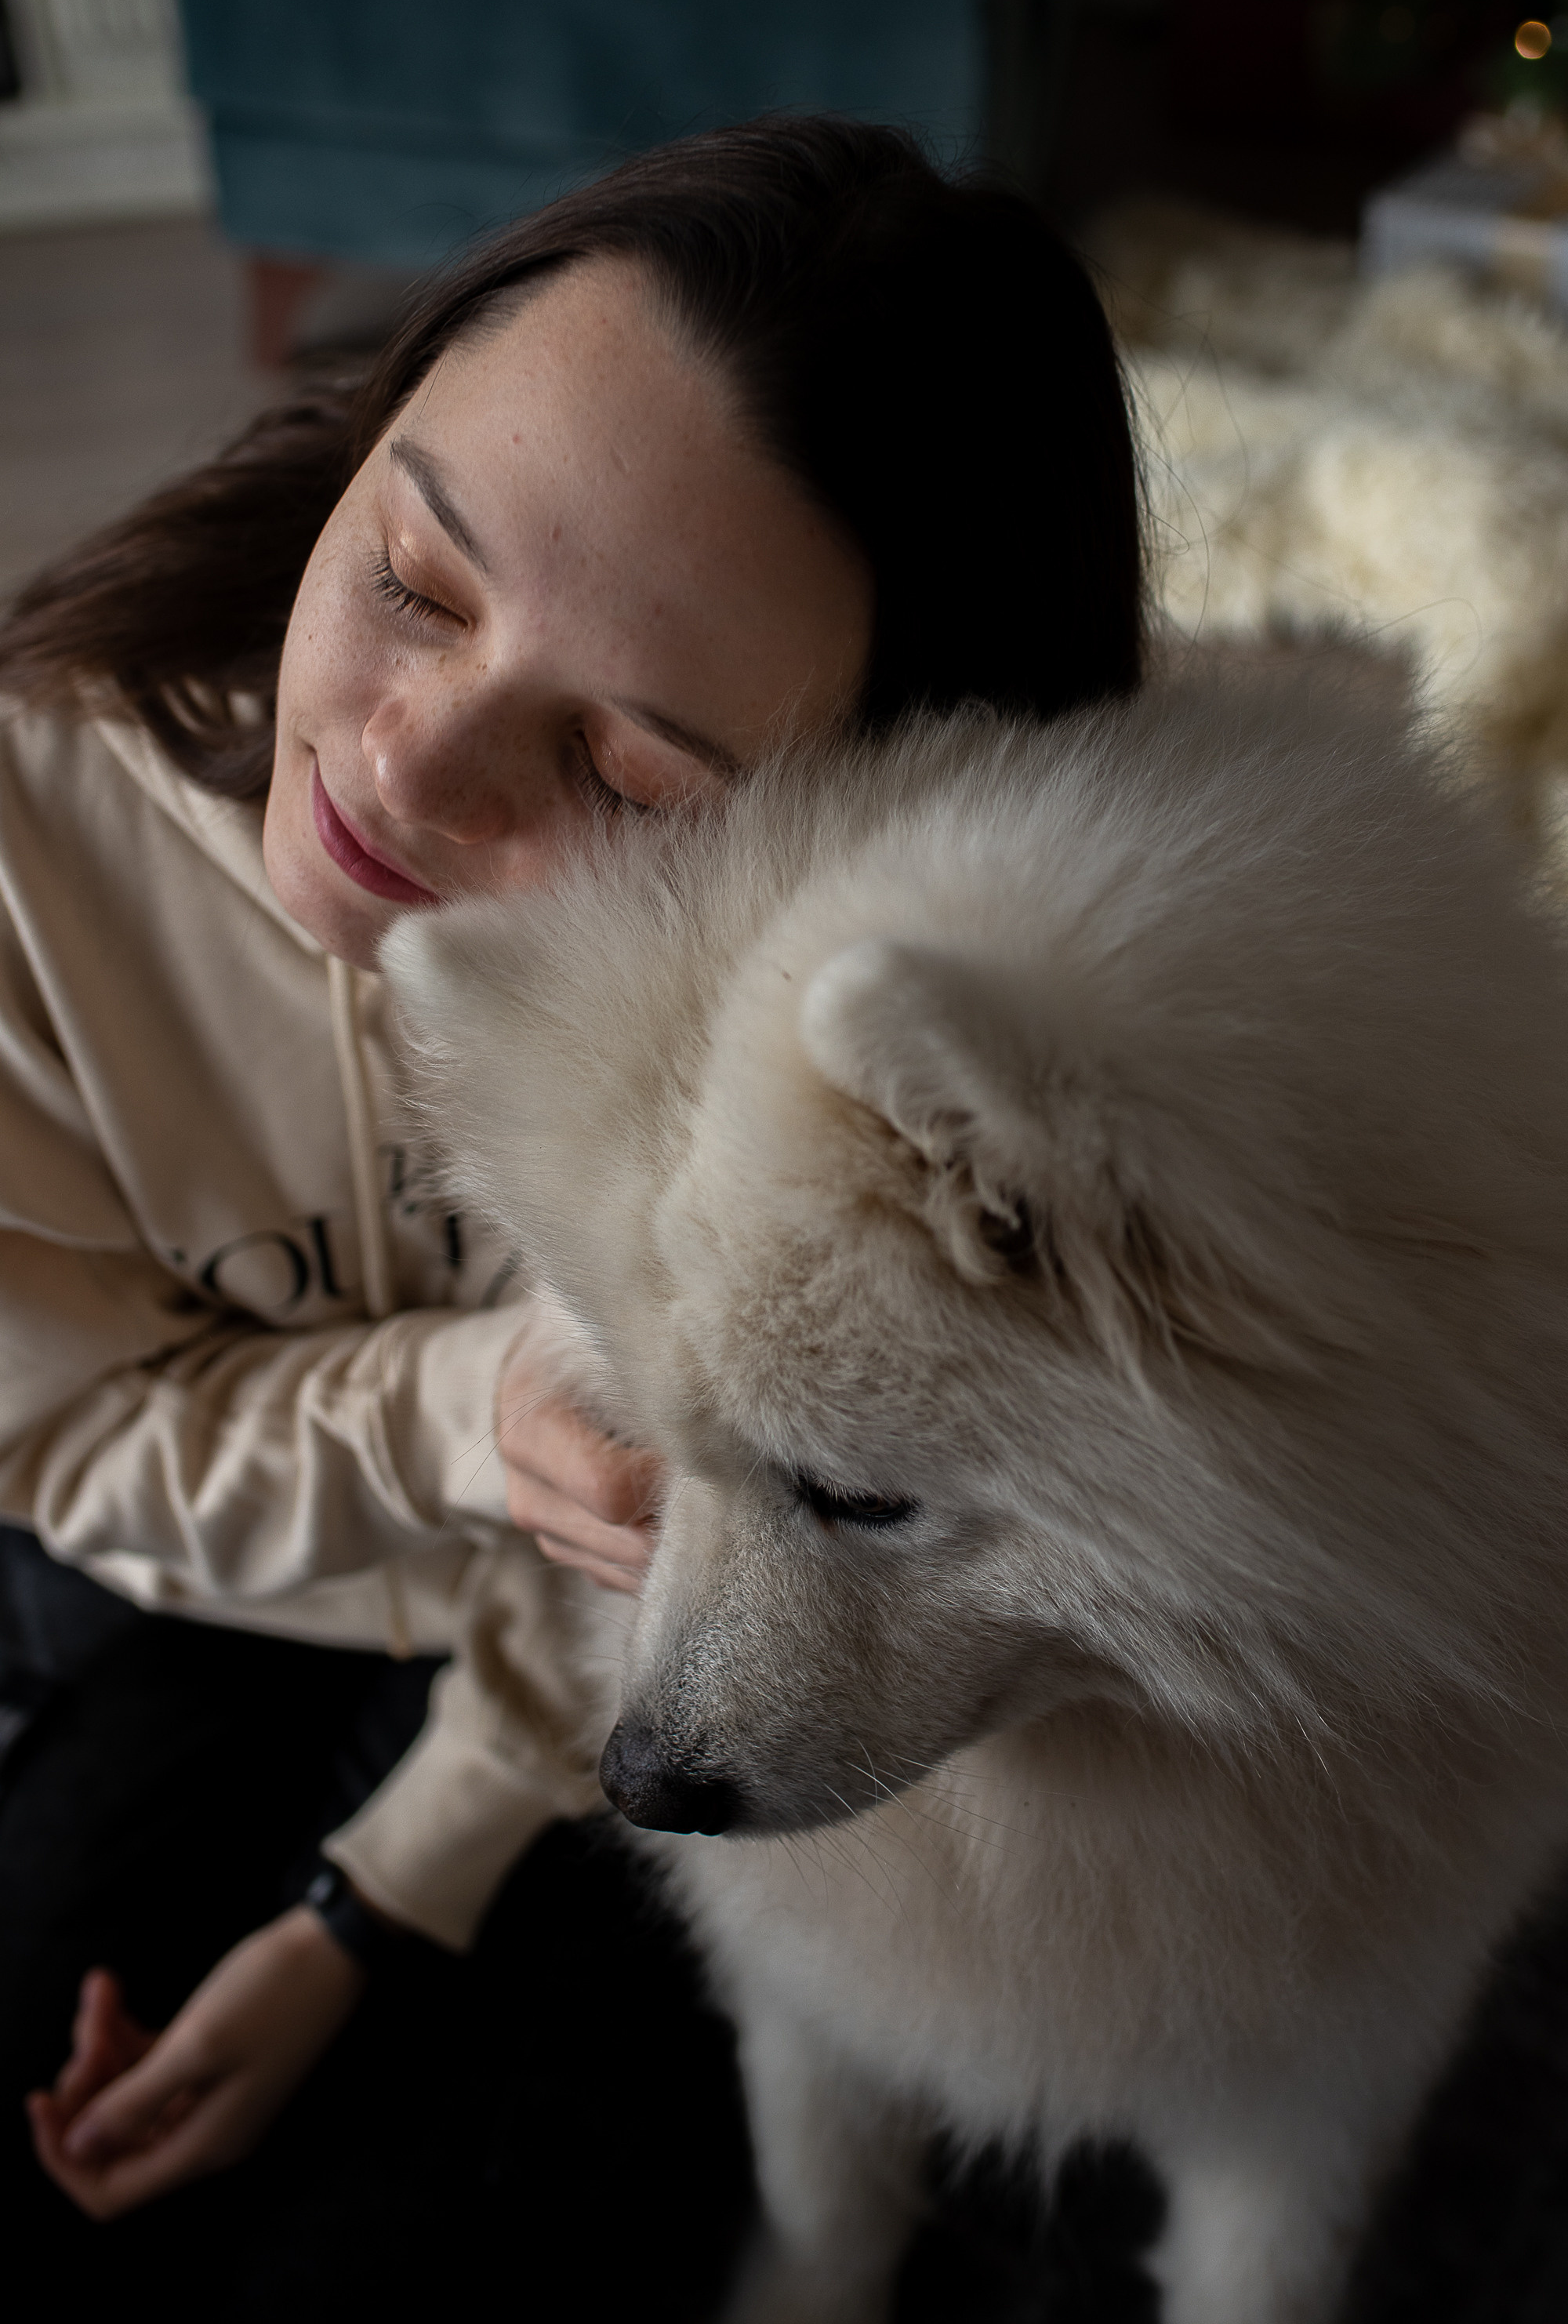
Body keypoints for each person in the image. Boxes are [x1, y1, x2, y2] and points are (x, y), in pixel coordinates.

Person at [0, 116, 1142, 2262]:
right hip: (185, 1567)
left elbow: (722, 1593)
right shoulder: (28, 840)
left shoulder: (895, 1033)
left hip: (604, 1676)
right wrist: (464, 1416)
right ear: (379, 412)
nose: (410, 762)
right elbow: (62, 1432)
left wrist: (375, 1897)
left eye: (623, 778)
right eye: (412, 577)